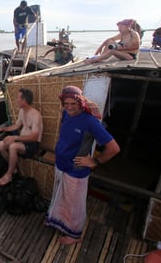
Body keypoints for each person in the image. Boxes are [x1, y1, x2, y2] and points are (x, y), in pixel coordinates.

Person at [45, 86, 120, 245]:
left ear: (81, 102)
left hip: (76, 170)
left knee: (75, 205)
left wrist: (95, 161)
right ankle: (59, 222)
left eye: (74, 104)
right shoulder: (65, 113)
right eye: (67, 103)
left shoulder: (89, 121)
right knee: (61, 198)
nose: (70, 107)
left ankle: (75, 235)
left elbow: (114, 148)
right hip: (62, 165)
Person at [0, 88, 43, 186]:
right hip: (22, 142)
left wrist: (14, 138)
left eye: (18, 98)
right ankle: (13, 168)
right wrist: (2, 129)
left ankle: (9, 175)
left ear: (24, 100)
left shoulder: (35, 115)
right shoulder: (22, 111)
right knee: (1, 144)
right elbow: (16, 126)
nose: (16, 100)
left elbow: (34, 137)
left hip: (32, 146)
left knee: (12, 146)